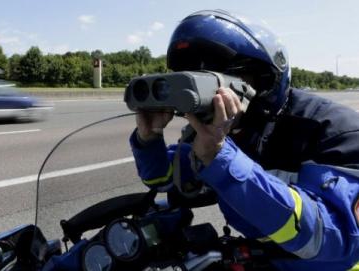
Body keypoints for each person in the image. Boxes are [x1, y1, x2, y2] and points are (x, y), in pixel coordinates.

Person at [130, 10, 359, 271]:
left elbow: (333, 238)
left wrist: (222, 160)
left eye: (213, 82)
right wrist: (149, 141)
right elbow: (167, 179)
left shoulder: (336, 131)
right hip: (263, 260)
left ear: (262, 80)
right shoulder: (218, 133)